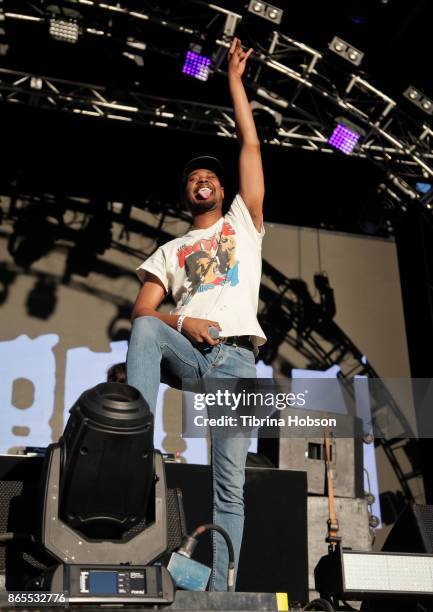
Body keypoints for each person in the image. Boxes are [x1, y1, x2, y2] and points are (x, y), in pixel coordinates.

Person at [126, 37, 266, 591]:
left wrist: (233, 82)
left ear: (225, 189)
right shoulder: (170, 250)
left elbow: (250, 144)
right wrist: (183, 321)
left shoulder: (242, 223)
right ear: (186, 194)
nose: (201, 179)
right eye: (191, 178)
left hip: (237, 363)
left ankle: (218, 591)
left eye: (209, 175)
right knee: (144, 327)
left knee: (229, 487)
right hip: (190, 351)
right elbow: (143, 310)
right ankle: (134, 447)